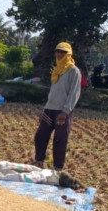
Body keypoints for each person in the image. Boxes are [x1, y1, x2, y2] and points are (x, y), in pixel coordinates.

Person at [34, 42, 82, 172]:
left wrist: (65, 111)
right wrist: (45, 109)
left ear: (69, 54)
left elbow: (74, 93)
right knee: (40, 136)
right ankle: (39, 162)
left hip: (62, 111)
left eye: (63, 52)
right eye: (58, 51)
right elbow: (53, 92)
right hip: (49, 109)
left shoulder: (73, 71)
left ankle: (58, 168)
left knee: (60, 140)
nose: (59, 54)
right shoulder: (57, 70)